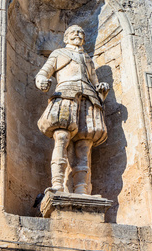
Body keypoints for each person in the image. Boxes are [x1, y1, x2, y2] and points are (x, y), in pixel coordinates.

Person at [36, 25, 109, 195]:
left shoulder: (87, 58)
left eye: (81, 32)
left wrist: (101, 90)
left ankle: (82, 189)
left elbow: (94, 81)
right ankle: (58, 185)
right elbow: (42, 74)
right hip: (66, 94)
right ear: (66, 37)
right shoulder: (58, 54)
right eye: (74, 32)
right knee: (61, 136)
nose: (78, 34)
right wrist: (41, 82)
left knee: (84, 145)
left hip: (88, 98)